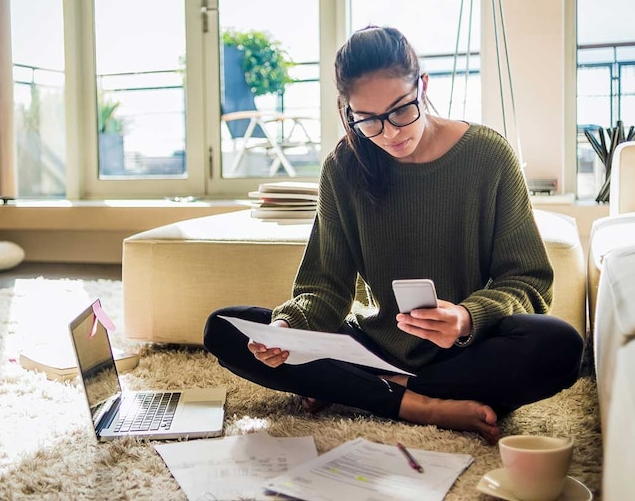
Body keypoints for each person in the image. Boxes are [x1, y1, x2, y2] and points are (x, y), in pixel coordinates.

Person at [203, 26, 583, 444]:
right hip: (370, 346)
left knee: (559, 345)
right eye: (367, 120)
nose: (390, 133)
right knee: (225, 327)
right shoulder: (343, 168)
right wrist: (289, 326)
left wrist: (467, 317)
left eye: (402, 110)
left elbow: (528, 280)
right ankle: (418, 404)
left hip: (461, 354)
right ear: (349, 111)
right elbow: (325, 287)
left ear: (422, 86)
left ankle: (365, 390)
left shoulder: (489, 156)